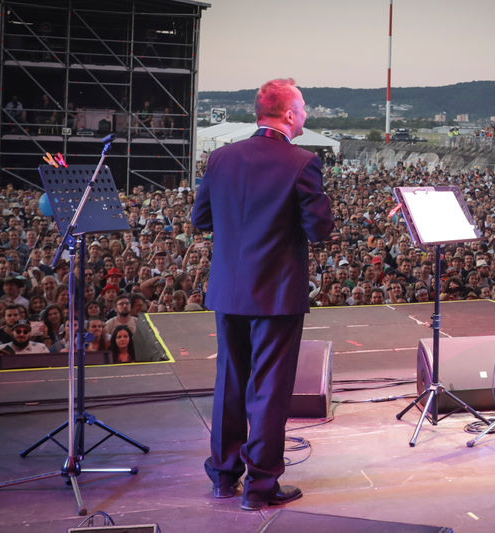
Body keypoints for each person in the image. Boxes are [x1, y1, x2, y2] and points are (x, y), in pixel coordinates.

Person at [192, 78, 333, 511]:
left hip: (229, 290)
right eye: (303, 107)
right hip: (276, 293)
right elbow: (319, 230)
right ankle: (260, 486)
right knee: (269, 389)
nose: (306, 114)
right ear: (289, 114)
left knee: (230, 383)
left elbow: (201, 219)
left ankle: (223, 476)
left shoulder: (220, 157)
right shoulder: (302, 161)